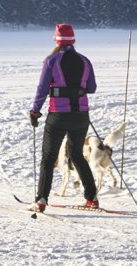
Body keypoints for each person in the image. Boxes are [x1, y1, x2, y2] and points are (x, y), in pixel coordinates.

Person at [28, 22, 98, 211]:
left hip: (58, 116)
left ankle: (41, 200)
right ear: (73, 40)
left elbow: (42, 89)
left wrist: (35, 111)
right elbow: (91, 88)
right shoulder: (85, 61)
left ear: (56, 40)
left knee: (48, 158)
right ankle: (92, 197)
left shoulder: (51, 61)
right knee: (77, 155)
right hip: (81, 116)